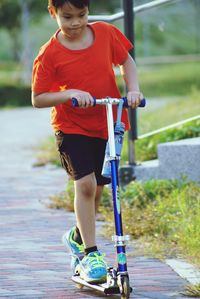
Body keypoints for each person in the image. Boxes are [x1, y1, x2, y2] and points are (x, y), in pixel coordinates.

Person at [31, 0, 143, 284]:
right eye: (67, 17)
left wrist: (132, 90)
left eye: (81, 15)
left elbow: (126, 61)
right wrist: (69, 94)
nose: (75, 23)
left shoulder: (105, 33)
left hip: (107, 123)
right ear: (52, 12)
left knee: (96, 192)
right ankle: (91, 253)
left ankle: (76, 237)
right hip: (72, 127)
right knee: (85, 184)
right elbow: (38, 97)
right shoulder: (49, 54)